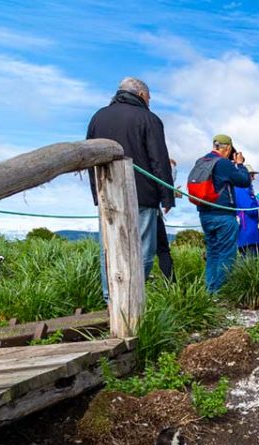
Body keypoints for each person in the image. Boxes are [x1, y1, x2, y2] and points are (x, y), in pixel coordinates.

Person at [86, 77, 175, 302]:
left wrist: (97, 194)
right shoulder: (148, 118)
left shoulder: (98, 117)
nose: (150, 102)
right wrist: (167, 196)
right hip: (142, 194)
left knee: (109, 247)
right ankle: (133, 296)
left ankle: (110, 299)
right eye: (149, 98)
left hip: (108, 194)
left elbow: (88, 157)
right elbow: (159, 160)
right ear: (142, 95)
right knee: (143, 247)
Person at [192, 134, 251, 292]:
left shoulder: (201, 161)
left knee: (213, 253)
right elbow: (244, 181)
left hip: (205, 214)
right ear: (228, 148)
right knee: (227, 254)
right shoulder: (223, 163)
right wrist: (240, 164)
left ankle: (210, 291)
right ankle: (220, 292)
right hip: (223, 215)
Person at [236, 164, 259, 256]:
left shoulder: (244, 188)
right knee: (249, 263)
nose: (253, 178)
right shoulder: (241, 188)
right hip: (248, 232)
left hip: (248, 232)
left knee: (250, 262)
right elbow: (251, 209)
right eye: (252, 175)